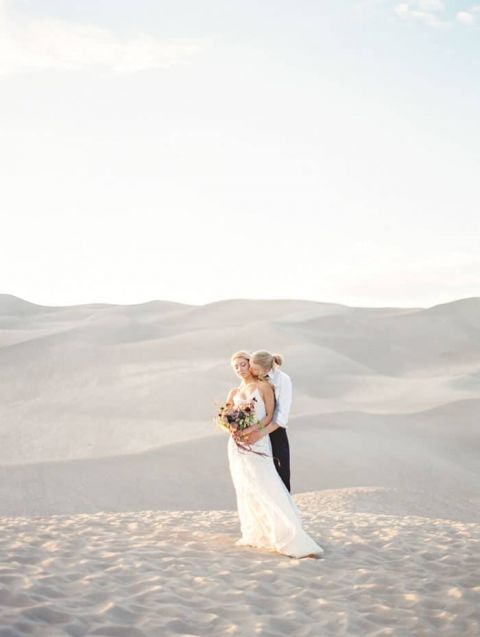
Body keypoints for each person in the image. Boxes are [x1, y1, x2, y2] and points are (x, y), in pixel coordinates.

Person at [226, 351, 324, 559]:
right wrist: (234, 430)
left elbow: (275, 417)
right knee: (247, 487)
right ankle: (259, 533)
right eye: (237, 366)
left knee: (274, 483)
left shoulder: (273, 383)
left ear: (254, 365)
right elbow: (227, 416)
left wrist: (251, 433)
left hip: (266, 437)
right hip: (239, 446)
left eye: (245, 364)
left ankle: (289, 533)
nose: (242, 369)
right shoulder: (235, 391)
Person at [242, 350, 292, 492]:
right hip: (256, 431)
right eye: (250, 366)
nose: (251, 370)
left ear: (266, 368)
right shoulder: (255, 378)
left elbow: (281, 417)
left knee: (281, 475)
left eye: (255, 368)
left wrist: (259, 434)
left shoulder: (282, 380)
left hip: (275, 432)